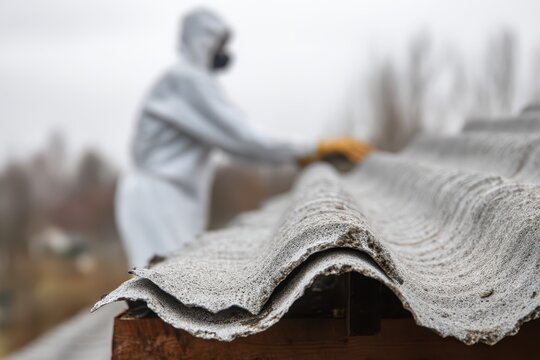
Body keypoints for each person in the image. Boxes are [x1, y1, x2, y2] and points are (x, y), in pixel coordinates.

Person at [116, 8, 374, 268]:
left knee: (172, 275)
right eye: (219, 44)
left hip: (172, 196)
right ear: (203, 42)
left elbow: (239, 143)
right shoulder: (185, 81)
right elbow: (244, 138)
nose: (224, 52)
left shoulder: (193, 82)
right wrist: (311, 148)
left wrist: (302, 154)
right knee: (159, 282)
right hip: (157, 197)